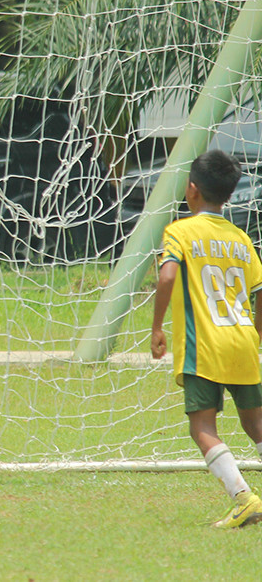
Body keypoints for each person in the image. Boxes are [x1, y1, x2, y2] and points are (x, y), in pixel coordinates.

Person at [151, 149, 262, 528]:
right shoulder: (241, 238)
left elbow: (167, 277)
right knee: (256, 425)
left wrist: (156, 328)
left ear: (192, 190)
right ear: (229, 194)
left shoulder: (180, 231)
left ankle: (243, 498)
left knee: (202, 427)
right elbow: (260, 292)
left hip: (205, 347)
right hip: (244, 340)